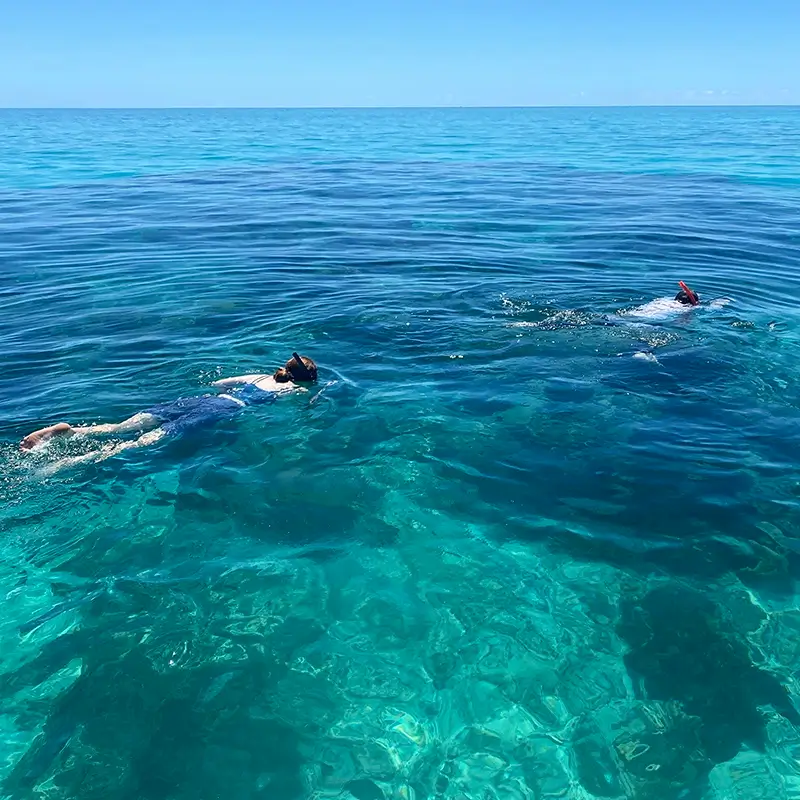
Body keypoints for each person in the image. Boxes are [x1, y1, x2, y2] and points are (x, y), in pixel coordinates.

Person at [20, 353, 318, 464]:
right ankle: (66, 464)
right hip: (221, 411)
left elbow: (220, 384)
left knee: (119, 428)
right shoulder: (291, 391)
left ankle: (70, 431)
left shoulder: (259, 376)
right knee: (134, 446)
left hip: (202, 401)